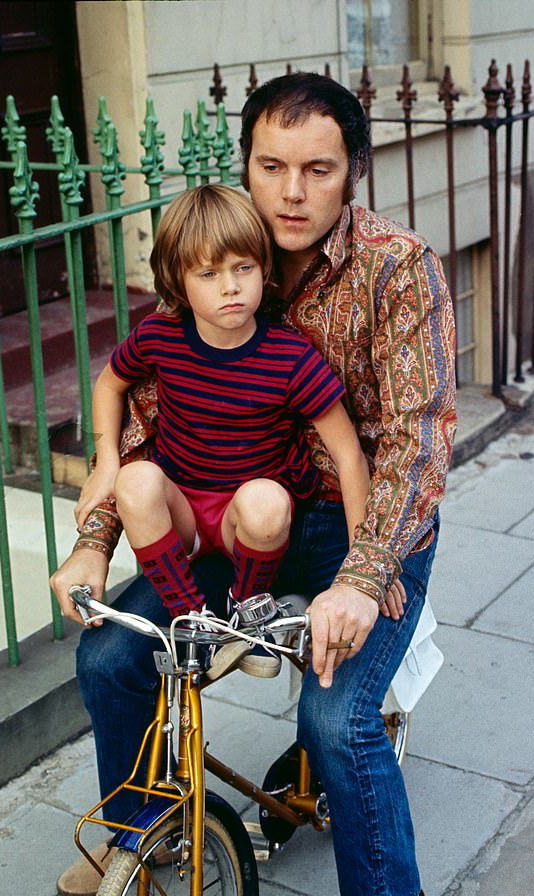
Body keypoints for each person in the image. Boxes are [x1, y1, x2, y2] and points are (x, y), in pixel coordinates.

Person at [51, 72, 456, 896]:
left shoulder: (398, 267)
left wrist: (361, 574)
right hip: (234, 519)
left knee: (334, 718)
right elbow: (150, 414)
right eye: (271, 165)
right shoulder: (222, 249)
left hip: (366, 529)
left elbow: (416, 442)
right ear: (247, 165)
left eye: (318, 168)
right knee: (109, 660)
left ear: (354, 169)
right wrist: (95, 538)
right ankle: (137, 831)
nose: (292, 190)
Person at [73, 183, 372, 681]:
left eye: (243, 268)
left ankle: (245, 612)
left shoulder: (289, 357)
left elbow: (348, 455)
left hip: (249, 526)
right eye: (208, 274)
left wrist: (364, 562)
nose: (230, 287)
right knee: (134, 480)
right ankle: (192, 619)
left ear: (263, 270)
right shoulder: (158, 337)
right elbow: (109, 384)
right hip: (182, 512)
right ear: (179, 281)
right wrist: (106, 463)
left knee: (265, 500)